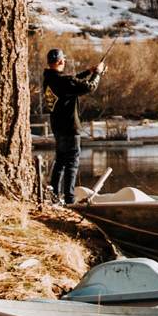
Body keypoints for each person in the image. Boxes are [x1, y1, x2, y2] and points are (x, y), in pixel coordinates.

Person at [42, 46, 102, 206]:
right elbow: (89, 87)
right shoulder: (64, 82)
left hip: (57, 128)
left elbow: (71, 80)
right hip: (70, 129)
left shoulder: (48, 80)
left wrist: (88, 71)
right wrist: (97, 73)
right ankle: (69, 199)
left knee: (60, 161)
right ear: (61, 61)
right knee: (72, 163)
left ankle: (54, 196)